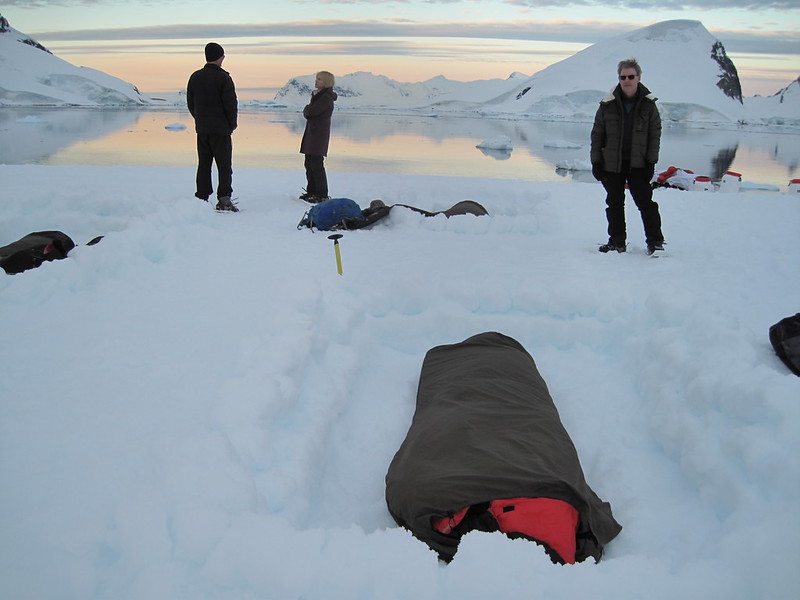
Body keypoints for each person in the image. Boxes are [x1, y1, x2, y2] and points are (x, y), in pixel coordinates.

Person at [591, 58, 664, 254]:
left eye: (631, 76)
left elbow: (654, 135)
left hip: (638, 165)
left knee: (646, 203)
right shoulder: (608, 105)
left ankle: (655, 242)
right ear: (619, 79)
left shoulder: (649, 106)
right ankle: (617, 242)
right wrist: (596, 162)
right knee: (614, 204)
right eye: (623, 77)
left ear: (638, 78)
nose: (627, 80)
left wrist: (650, 162)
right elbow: (597, 134)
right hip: (612, 164)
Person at [186, 42, 239, 212]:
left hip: (203, 129)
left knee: (204, 164)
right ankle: (224, 199)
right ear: (220, 57)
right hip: (221, 130)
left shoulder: (195, 77)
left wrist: (199, 119)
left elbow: (191, 102)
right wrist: (231, 124)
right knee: (224, 166)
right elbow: (230, 104)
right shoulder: (224, 78)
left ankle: (202, 197)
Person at [299, 71, 337, 203]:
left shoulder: (325, 98)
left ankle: (321, 194)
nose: (316, 81)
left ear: (326, 82)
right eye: (317, 79)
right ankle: (312, 191)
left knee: (316, 164)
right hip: (314, 134)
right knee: (309, 163)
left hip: (318, 135)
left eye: (319, 79)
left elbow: (311, 111)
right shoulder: (319, 96)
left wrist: (307, 109)